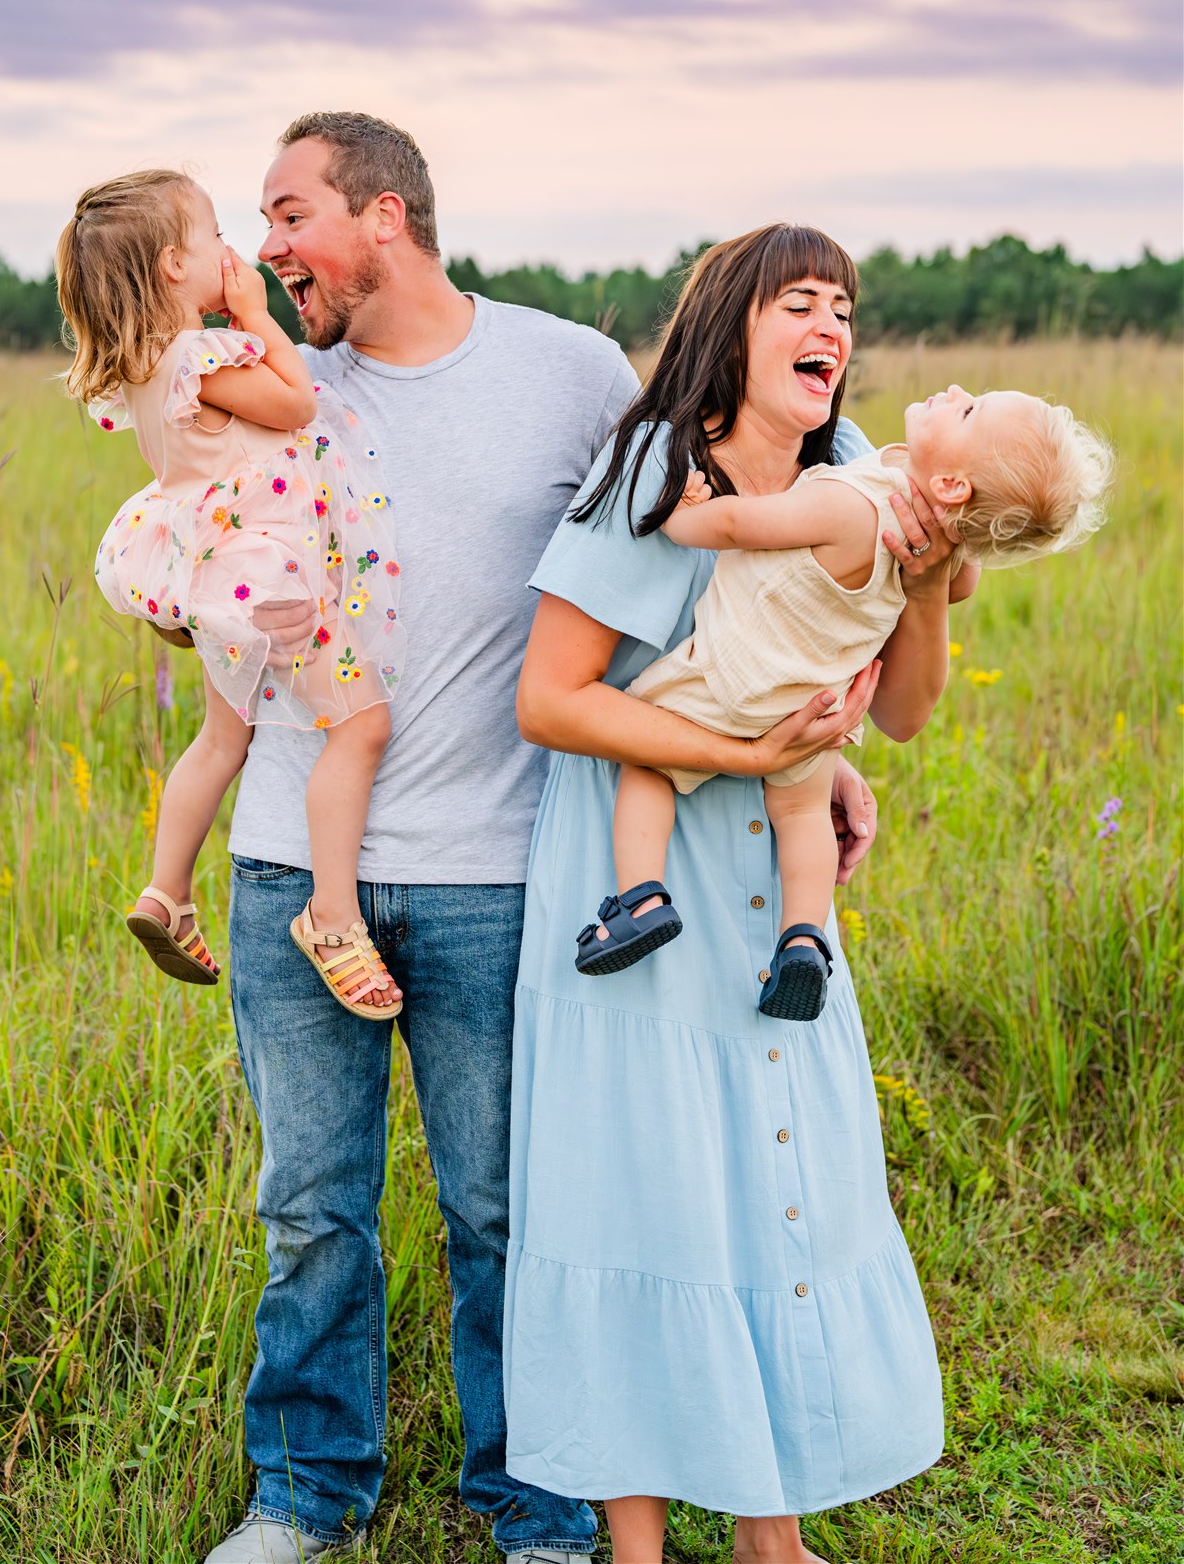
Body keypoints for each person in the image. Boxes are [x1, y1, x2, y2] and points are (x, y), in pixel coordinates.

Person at [199, 118, 887, 1564]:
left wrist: (802, 751)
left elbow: (718, 500)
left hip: (496, 863)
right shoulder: (270, 393)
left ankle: (539, 1499)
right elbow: (178, 523)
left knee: (507, 1210)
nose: (270, 248)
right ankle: (303, 1496)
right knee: (309, 1210)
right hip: (290, 858)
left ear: (384, 217)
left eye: (289, 214)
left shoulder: (566, 367)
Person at [506, 225, 980, 1564]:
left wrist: (931, 576)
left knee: (773, 1177)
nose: (831, 328)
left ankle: (772, 1537)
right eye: (801, 302)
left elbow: (901, 713)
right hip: (632, 878)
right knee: (644, 1192)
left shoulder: (850, 473)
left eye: (845, 308)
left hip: (777, 892)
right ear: (736, 322)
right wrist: (750, 754)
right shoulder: (658, 468)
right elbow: (549, 699)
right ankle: (638, 1545)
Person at [584, 333, 1113, 1023]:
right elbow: (959, 585)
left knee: (645, 760)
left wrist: (685, 515)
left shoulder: (852, 500)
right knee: (802, 813)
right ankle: (802, 940)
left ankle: (641, 900)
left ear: (952, 483)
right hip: (819, 707)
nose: (954, 392)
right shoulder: (939, 538)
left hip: (735, 678)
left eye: (968, 410)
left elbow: (743, 523)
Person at [57, 169, 403, 1014]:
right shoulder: (197, 356)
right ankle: (331, 915)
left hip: (214, 577)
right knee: (359, 727)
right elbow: (292, 403)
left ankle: (165, 891)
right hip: (268, 580)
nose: (234, 252)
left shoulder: (140, 367)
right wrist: (257, 318)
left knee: (222, 738)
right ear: (177, 265)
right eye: (216, 236)